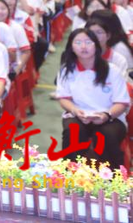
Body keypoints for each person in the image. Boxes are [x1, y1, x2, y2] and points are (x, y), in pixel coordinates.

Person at [56, 28, 130, 170]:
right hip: (78, 114)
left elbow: (122, 102)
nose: (83, 46)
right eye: (78, 42)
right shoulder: (66, 70)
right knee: (73, 130)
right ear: (71, 47)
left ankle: (113, 180)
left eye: (88, 42)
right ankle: (70, 176)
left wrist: (106, 115)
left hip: (110, 117)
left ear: (96, 46)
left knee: (106, 135)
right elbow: (64, 98)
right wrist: (75, 110)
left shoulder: (112, 70)